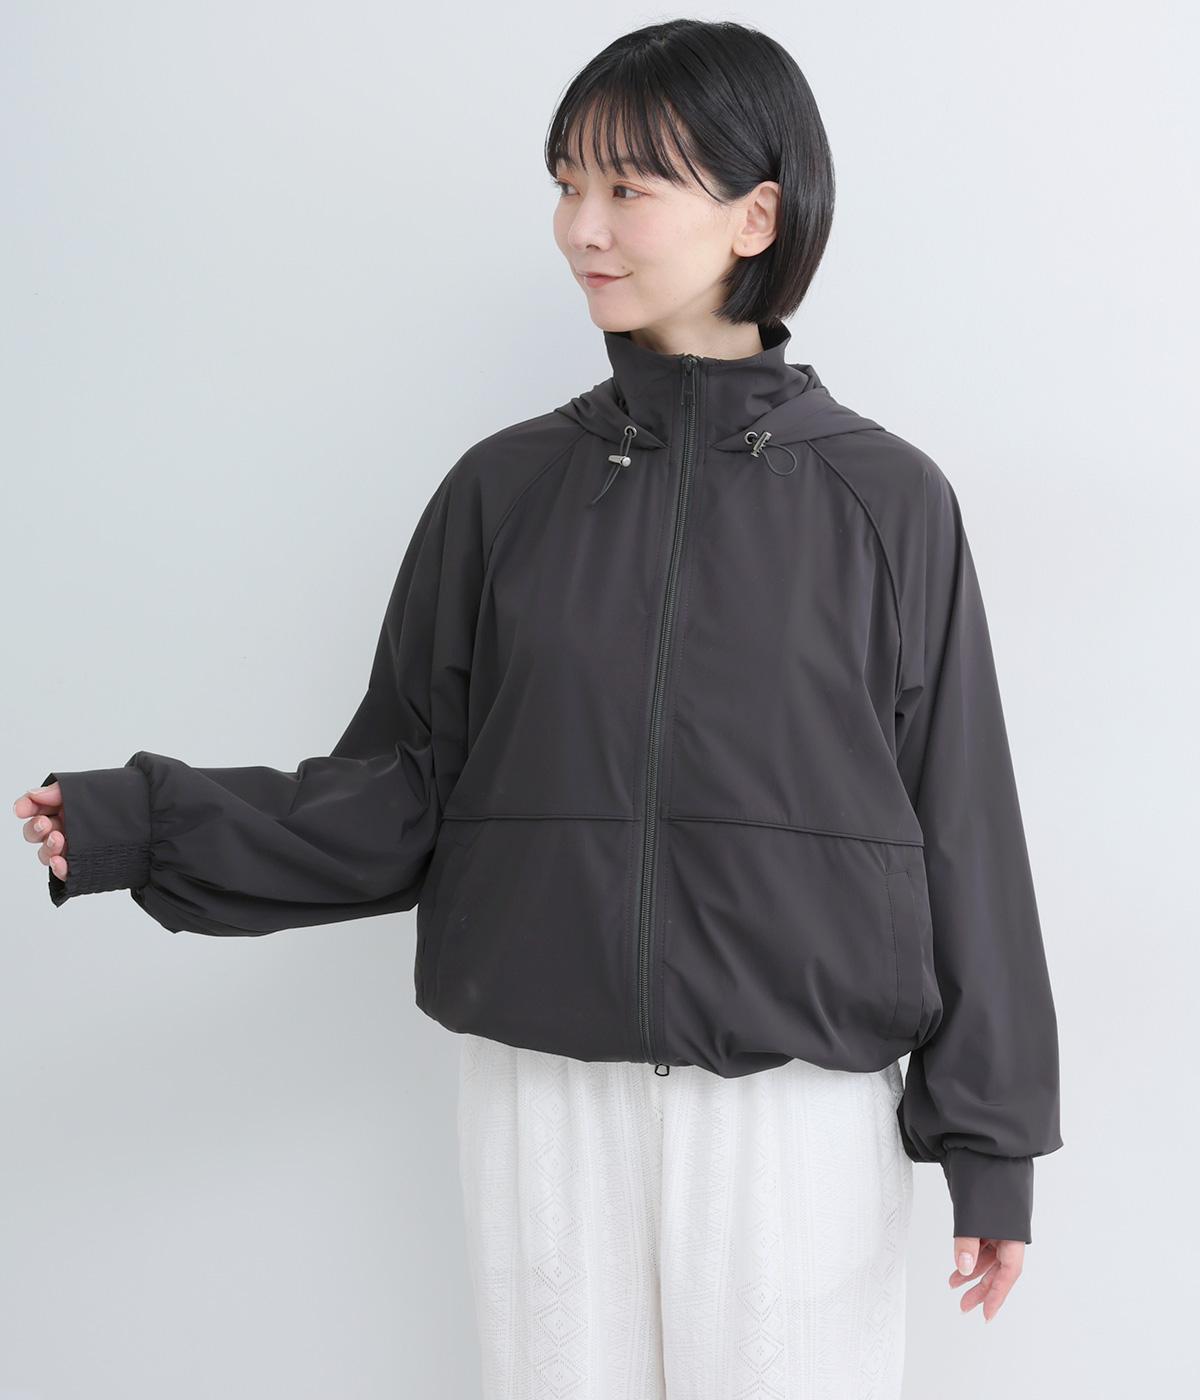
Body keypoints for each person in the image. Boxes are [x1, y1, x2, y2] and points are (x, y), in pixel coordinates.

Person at [14, 18, 1062, 1400]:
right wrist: (144, 824)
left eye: (629, 186)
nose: (582, 228)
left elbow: (961, 821)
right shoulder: (502, 494)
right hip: (543, 1101)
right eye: (568, 184)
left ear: (757, 215)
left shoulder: (888, 501)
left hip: (794, 1115)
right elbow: (399, 793)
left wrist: (989, 1142)